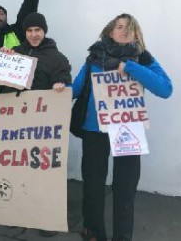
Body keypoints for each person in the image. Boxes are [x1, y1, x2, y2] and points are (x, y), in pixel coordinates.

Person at [73, 14, 172, 241]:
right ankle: (94, 233)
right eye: (119, 27)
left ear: (136, 34)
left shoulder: (142, 58)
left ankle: (122, 237)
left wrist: (131, 68)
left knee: (125, 188)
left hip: (128, 131)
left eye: (130, 28)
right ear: (110, 31)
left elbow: (165, 89)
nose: (124, 31)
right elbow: (77, 88)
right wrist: (59, 90)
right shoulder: (94, 57)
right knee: (93, 186)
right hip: (94, 130)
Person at [0, 12, 71, 237]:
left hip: (43, 126)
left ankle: (46, 219)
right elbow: (0, 81)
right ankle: (18, 214)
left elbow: (65, 80)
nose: (33, 35)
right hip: (16, 123)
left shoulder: (57, 57)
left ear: (44, 31)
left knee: (42, 172)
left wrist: (61, 84)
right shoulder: (16, 53)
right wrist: (1, 59)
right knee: (18, 170)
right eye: (29, 30)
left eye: (37, 30)